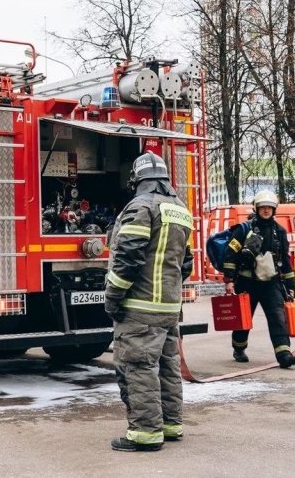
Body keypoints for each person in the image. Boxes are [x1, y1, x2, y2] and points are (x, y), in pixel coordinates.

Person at [104, 151, 194, 452]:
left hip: (140, 307)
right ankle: (170, 424)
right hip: (169, 308)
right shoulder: (180, 208)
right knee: (167, 368)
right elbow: (186, 263)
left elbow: (128, 258)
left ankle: (145, 432)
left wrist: (113, 297)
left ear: (137, 179)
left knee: (138, 367)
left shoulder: (140, 207)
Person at [222, 190, 295, 369]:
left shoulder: (280, 231)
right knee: (243, 321)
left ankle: (284, 355)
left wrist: (291, 285)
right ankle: (239, 348)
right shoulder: (243, 229)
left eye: (269, 208)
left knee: (278, 318)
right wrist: (229, 281)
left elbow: (285, 260)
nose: (266, 210)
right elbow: (230, 254)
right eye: (263, 207)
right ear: (257, 209)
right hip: (247, 282)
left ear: (274, 210)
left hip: (271, 283)